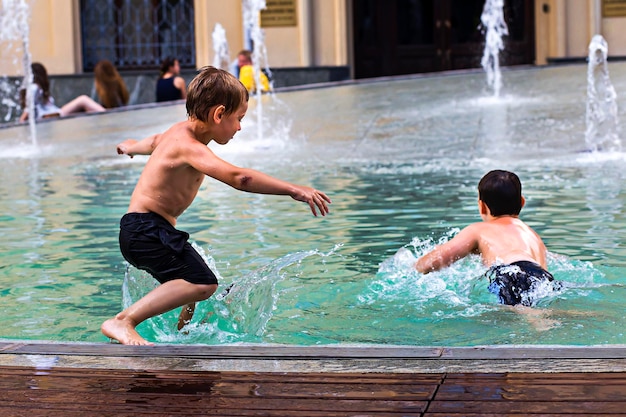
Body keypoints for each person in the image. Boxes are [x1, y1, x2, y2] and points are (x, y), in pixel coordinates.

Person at [102, 66, 331, 345]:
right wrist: (295, 190)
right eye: (238, 118)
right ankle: (123, 321)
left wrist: (130, 147)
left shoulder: (177, 132)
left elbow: (152, 142)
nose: (240, 127)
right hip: (146, 230)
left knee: (192, 284)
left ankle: (181, 332)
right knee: (203, 283)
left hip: (141, 230)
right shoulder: (189, 146)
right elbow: (240, 178)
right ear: (218, 114)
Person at [414, 170, 559, 307]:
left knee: (522, 314)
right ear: (522, 202)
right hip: (544, 278)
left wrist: (414, 266)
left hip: (512, 273)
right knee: (537, 314)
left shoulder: (478, 230)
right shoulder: (532, 235)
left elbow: (435, 261)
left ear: (482, 206)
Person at [19, 62, 105, 122]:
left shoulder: (37, 88)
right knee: (83, 100)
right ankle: (107, 115)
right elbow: (28, 108)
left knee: (83, 105)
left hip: (54, 114)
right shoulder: (34, 87)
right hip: (51, 115)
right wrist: (21, 123)